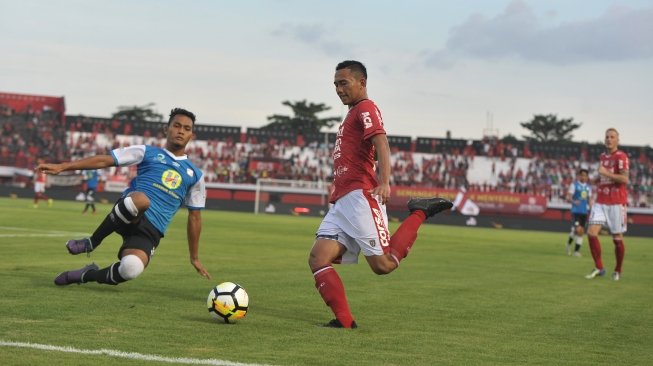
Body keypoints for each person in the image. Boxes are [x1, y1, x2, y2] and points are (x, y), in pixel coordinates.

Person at [308, 60, 453, 329]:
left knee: (383, 265)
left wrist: (384, 181)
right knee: (318, 257)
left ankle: (420, 211)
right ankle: (344, 321)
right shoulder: (351, 113)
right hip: (341, 200)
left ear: (362, 82)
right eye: (336, 84)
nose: (339, 89)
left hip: (360, 195)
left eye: (344, 83)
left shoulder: (366, 107)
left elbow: (381, 141)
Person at [37, 108, 212, 286]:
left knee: (131, 269)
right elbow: (104, 160)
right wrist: (63, 167)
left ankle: (86, 275)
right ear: (166, 129)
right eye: (176, 126)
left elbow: (195, 217)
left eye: (186, 128)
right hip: (131, 210)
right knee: (141, 200)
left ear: (192, 135)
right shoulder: (147, 152)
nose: (181, 131)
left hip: (152, 230)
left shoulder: (196, 176)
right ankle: (92, 241)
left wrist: (194, 257)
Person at [585, 128, 629, 281]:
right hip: (601, 201)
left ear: (617, 140)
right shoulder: (603, 156)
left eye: (612, 137)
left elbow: (624, 180)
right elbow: (604, 175)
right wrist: (597, 179)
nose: (609, 139)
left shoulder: (621, 156)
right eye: (607, 137)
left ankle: (617, 270)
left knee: (617, 238)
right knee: (591, 233)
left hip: (616, 202)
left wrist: (605, 173)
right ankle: (599, 267)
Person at [565, 168, 591, 257]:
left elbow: (590, 200)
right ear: (579, 176)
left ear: (587, 177)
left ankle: (576, 251)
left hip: (584, 212)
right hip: (576, 212)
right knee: (576, 230)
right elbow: (568, 197)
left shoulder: (588, 187)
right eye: (582, 175)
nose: (583, 177)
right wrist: (573, 201)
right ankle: (569, 246)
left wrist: (592, 209)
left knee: (581, 232)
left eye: (585, 175)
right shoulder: (574, 185)